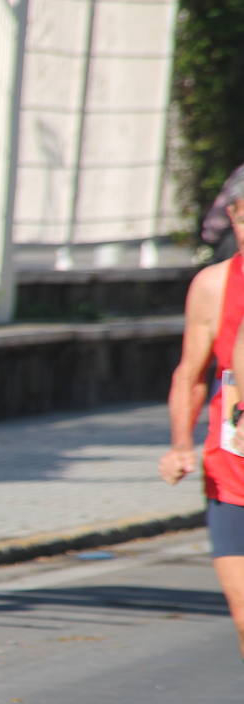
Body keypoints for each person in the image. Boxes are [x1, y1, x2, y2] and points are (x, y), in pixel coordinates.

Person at [161, 169, 244, 663]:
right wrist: (179, 444)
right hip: (231, 469)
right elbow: (191, 374)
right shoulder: (214, 285)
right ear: (233, 216)